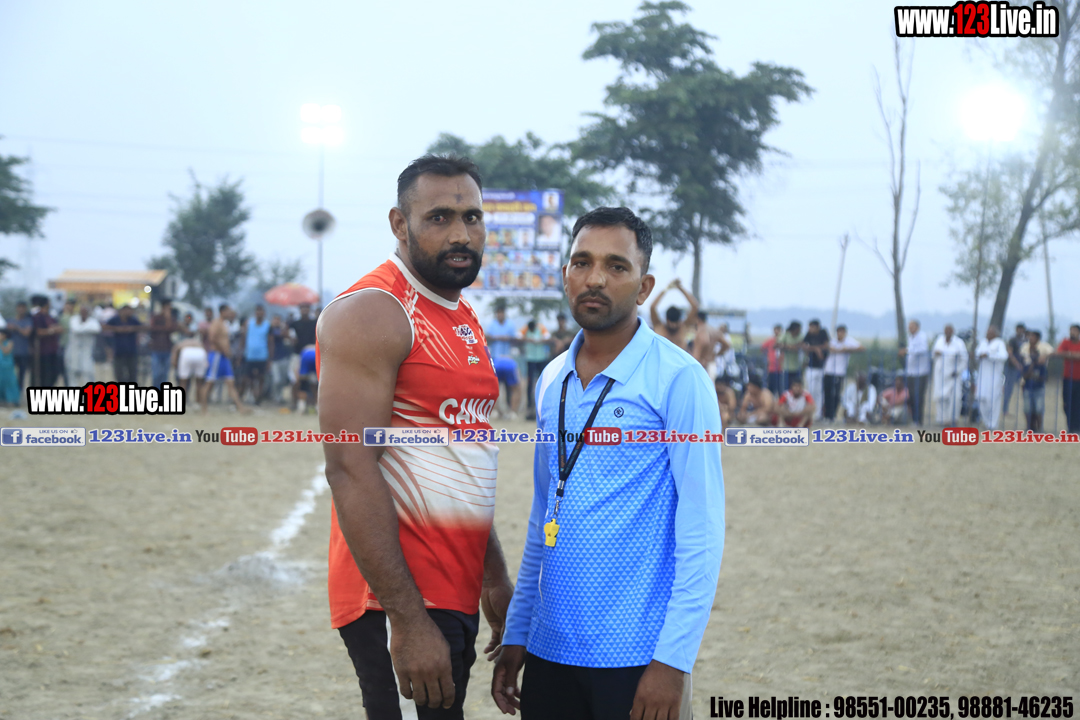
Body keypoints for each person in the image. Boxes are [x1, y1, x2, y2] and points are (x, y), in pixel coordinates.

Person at [493, 206, 722, 720]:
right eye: (582, 262)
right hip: (550, 650)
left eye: (616, 266)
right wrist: (518, 630)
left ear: (644, 287)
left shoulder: (679, 379)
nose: (595, 278)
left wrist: (673, 661)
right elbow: (543, 514)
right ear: (566, 274)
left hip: (639, 656)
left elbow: (703, 530)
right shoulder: (551, 379)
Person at [317, 154, 512, 717]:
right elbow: (349, 468)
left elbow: (458, 456)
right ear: (399, 224)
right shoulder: (374, 311)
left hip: (453, 582)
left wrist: (492, 574)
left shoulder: (460, 314)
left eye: (473, 217)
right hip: (398, 597)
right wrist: (406, 618)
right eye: (440, 217)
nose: (461, 234)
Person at [198, 303, 247, 414]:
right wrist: (223, 349)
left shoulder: (224, 324)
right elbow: (212, 338)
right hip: (217, 355)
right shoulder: (216, 323)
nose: (229, 313)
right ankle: (203, 409)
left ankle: (240, 408)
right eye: (228, 311)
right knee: (209, 383)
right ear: (222, 311)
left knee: (230, 383)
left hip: (224, 357)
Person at [487, 302, 521, 420]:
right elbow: (487, 337)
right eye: (498, 313)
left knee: (515, 387)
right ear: (496, 314)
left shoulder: (510, 324)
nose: (500, 315)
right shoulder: (492, 325)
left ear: (504, 314)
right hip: (495, 359)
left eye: (502, 313)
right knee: (494, 387)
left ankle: (512, 412)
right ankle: (496, 411)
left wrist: (507, 338)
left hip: (508, 359)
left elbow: (515, 339)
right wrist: (498, 338)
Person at [823, 324, 863, 421]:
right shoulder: (833, 341)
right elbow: (828, 348)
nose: (840, 334)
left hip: (839, 372)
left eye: (842, 332)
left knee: (836, 394)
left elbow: (861, 348)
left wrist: (846, 350)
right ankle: (826, 415)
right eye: (838, 332)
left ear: (845, 333)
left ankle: (832, 415)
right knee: (827, 393)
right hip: (828, 370)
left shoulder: (849, 342)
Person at [974, 324, 1009, 430]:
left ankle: (993, 424)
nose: (987, 334)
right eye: (987, 332)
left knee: (993, 400)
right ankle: (986, 422)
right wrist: (980, 355)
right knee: (981, 398)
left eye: (990, 332)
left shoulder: (999, 343)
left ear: (995, 334)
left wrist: (989, 355)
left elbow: (1004, 356)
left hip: (994, 377)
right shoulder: (983, 343)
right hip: (982, 376)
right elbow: (976, 354)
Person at [930, 324, 966, 424]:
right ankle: (941, 419)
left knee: (955, 398)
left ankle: (953, 419)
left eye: (950, 330)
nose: (948, 332)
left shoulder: (959, 343)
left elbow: (964, 359)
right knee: (940, 398)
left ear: (953, 331)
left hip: (953, 375)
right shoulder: (939, 340)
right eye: (946, 330)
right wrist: (936, 353)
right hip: (940, 375)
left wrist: (958, 370)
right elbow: (933, 354)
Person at [648, 278, 698, 351]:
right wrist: (666, 289)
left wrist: (680, 288)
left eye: (676, 323)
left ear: (679, 320)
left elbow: (695, 307)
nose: (674, 326)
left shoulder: (684, 327)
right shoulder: (659, 326)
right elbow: (652, 307)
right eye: (672, 323)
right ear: (667, 320)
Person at [898, 319, 930, 425]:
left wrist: (907, 350)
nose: (910, 328)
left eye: (912, 326)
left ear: (917, 327)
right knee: (911, 396)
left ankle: (919, 420)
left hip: (920, 372)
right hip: (911, 372)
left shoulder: (922, 336)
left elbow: (923, 349)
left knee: (918, 396)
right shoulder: (910, 337)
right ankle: (913, 419)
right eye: (909, 326)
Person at [1020, 329, 1051, 432]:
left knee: (1038, 409)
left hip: (1038, 388)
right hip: (1027, 386)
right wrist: (1032, 365)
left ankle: (1039, 427)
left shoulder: (1041, 364)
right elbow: (1025, 374)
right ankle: (1030, 427)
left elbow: (1045, 376)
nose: (1030, 338)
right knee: (1028, 408)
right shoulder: (1025, 349)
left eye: (1032, 336)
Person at [29, 295, 62, 388]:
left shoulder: (50, 316)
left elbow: (59, 327)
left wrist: (53, 329)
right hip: (42, 351)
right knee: (44, 376)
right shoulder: (38, 317)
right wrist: (52, 330)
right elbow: (38, 332)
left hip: (53, 350)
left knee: (53, 375)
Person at [520, 318, 550, 419]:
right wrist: (528, 339)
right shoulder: (526, 328)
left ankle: (543, 405)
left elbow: (547, 337)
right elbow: (519, 336)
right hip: (530, 359)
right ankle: (529, 407)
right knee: (530, 383)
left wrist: (539, 340)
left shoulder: (541, 328)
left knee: (542, 382)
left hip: (541, 358)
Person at [105, 304, 142, 383]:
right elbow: (104, 326)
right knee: (119, 374)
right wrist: (116, 329)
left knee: (132, 373)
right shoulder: (115, 320)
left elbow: (142, 327)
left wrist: (132, 329)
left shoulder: (133, 320)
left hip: (131, 351)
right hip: (119, 351)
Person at [242, 304, 271, 403]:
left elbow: (270, 342)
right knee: (248, 378)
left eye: (261, 311)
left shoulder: (267, 325)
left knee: (261, 378)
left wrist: (270, 358)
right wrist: (241, 353)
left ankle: (259, 397)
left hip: (262, 356)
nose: (259, 313)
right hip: (250, 356)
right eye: (257, 311)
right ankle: (252, 394)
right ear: (255, 313)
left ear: (264, 313)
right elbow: (244, 339)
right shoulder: (249, 324)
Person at [66, 305, 102, 386]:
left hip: (87, 352)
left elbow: (97, 329)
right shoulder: (74, 319)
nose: (83, 313)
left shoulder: (93, 321)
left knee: (88, 372)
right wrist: (87, 328)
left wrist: (82, 327)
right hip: (73, 351)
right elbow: (75, 329)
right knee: (73, 373)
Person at [801, 319, 829, 420]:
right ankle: (810, 411)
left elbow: (826, 345)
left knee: (819, 392)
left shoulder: (823, 333)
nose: (810, 329)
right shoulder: (808, 334)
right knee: (810, 390)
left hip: (821, 367)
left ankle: (818, 413)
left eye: (812, 327)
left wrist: (816, 349)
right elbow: (804, 345)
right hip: (810, 367)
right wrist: (816, 349)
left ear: (817, 327)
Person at [692, 311, 731, 380]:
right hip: (711, 364)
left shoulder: (701, 330)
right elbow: (727, 344)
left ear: (697, 319)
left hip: (701, 365)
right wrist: (716, 354)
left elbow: (704, 341)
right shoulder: (713, 330)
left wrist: (695, 362)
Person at [1056, 323, 1080, 434]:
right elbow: (1059, 352)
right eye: (1070, 330)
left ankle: (1077, 427)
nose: (1072, 333)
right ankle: (1070, 426)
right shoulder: (1065, 342)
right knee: (1067, 403)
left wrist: (1068, 354)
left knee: (1077, 404)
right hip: (1067, 378)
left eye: (1074, 330)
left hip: (1078, 379)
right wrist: (1072, 355)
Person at [149, 299, 177, 388]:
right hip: (156, 349)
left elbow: (171, 329)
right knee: (156, 374)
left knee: (165, 374)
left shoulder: (172, 319)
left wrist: (168, 319)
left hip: (167, 349)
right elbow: (153, 329)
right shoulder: (156, 318)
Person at [171, 335, 207, 401]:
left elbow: (175, 351)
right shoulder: (198, 342)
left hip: (186, 353)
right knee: (199, 382)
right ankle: (199, 401)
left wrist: (175, 364)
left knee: (183, 382)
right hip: (200, 352)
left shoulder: (182, 342)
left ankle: (182, 401)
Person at [1002, 323, 1027, 416]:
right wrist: (1016, 364)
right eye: (1019, 329)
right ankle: (1005, 410)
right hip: (1011, 367)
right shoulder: (1012, 340)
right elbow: (1010, 353)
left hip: (1022, 368)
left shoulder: (1025, 340)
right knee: (1008, 388)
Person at [268, 314, 292, 404]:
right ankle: (275, 396)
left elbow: (288, 337)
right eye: (275, 319)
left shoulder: (284, 329)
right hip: (274, 358)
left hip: (284, 357)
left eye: (278, 319)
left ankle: (279, 397)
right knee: (276, 380)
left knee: (282, 379)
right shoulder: (270, 330)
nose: (276, 321)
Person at [10, 301, 33, 393]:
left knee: (22, 374)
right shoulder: (10, 320)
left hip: (24, 352)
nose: (21, 309)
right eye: (19, 307)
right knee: (10, 374)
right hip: (11, 352)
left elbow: (27, 333)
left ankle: (19, 393)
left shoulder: (28, 321)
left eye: (23, 307)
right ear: (16, 308)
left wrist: (16, 328)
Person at [293, 344, 318, 414]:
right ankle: (318, 407)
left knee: (303, 387)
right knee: (317, 387)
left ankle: (301, 407)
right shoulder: (315, 346)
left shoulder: (304, 350)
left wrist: (298, 380)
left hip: (306, 356)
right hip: (316, 355)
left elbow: (297, 368)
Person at [778, 321, 803, 390]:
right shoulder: (786, 335)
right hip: (787, 367)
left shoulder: (801, 336)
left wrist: (788, 347)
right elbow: (778, 344)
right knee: (787, 386)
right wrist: (791, 347)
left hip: (797, 367)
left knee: (797, 386)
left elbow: (802, 345)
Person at [760, 324, 783, 395]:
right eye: (776, 330)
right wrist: (768, 356)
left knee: (780, 387)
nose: (777, 332)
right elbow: (762, 347)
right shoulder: (770, 340)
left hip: (781, 368)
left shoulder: (782, 340)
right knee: (771, 387)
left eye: (779, 330)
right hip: (772, 368)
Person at [58, 298, 75, 386]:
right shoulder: (63, 317)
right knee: (65, 369)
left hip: (73, 346)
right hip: (64, 345)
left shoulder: (75, 317)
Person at [0, 329, 19, 405]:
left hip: (8, 366)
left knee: (10, 383)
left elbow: (6, 351)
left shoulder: (9, 342)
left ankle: (12, 400)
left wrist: (0, 343)